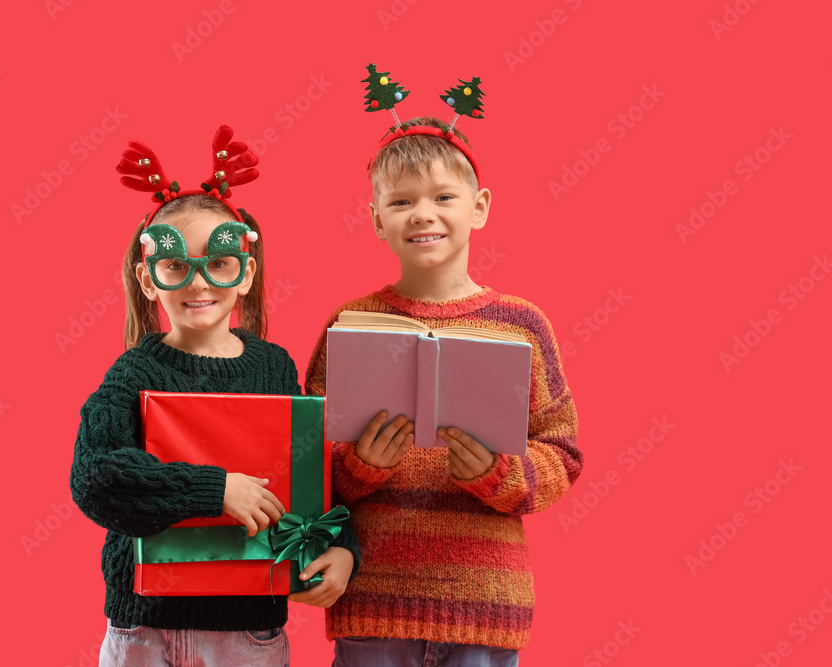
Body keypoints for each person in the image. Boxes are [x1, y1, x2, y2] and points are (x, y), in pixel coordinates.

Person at [70, 128, 360, 667]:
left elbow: (309, 474)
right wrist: (215, 489)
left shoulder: (274, 367)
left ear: (245, 273)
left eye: (219, 262)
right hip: (145, 630)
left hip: (247, 630)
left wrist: (342, 548)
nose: (199, 282)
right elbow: (95, 477)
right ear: (149, 279)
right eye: (177, 266)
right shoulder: (133, 373)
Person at [305, 116, 583, 666]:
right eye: (401, 201)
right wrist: (359, 466)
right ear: (377, 219)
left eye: (443, 197)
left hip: (486, 606)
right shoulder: (351, 323)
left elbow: (563, 453)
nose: (422, 214)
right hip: (375, 601)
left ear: (479, 207)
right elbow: (305, 460)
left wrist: (498, 474)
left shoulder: (522, 325)